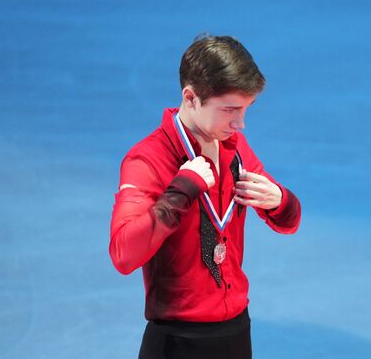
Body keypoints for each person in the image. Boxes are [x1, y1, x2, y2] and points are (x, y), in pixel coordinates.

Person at [109, 34, 302, 359]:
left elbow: (289, 221)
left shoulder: (235, 148)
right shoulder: (147, 160)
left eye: (246, 109)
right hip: (177, 341)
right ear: (191, 98)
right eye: (230, 110)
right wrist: (180, 192)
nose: (240, 123)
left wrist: (281, 200)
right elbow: (123, 254)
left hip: (237, 333)